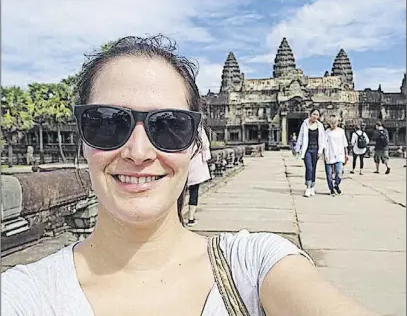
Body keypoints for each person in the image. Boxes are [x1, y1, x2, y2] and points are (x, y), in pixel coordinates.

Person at [1, 35, 377, 316]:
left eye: (169, 127)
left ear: (196, 143)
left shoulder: (254, 265)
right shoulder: (25, 295)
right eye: (107, 123)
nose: (138, 152)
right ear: (81, 137)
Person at [295, 108, 325, 197]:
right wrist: (297, 149)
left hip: (316, 150)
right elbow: (300, 137)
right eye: (314, 114)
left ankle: (312, 187)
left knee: (314, 168)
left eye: (317, 115)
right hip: (307, 149)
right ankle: (307, 187)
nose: (315, 116)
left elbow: (322, 140)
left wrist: (321, 151)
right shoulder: (305, 124)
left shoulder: (320, 126)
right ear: (310, 115)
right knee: (309, 168)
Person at [186, 126, 212, 227]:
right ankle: (190, 218)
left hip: (182, 162)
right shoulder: (198, 127)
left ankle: (177, 217)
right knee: (194, 191)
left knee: (178, 192)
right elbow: (205, 144)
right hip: (195, 163)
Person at [324, 116, 349, 196]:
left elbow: (345, 143)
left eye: (334, 123)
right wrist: (325, 154)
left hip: (339, 154)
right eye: (331, 124)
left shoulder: (341, 131)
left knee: (339, 172)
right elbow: (325, 144)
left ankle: (336, 184)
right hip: (329, 153)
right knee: (329, 173)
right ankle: (331, 188)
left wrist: (346, 154)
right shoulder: (327, 132)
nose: (333, 125)